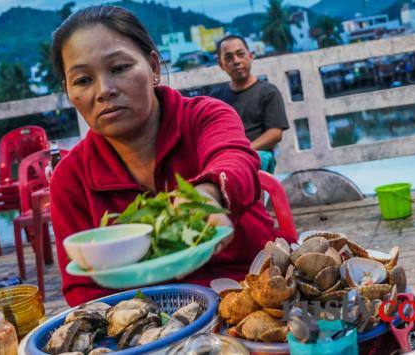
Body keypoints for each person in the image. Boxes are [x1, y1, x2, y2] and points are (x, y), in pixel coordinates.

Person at [48, 6, 295, 307]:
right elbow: (84, 292)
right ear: (68, 91)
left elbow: (233, 158)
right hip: (156, 324)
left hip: (256, 298)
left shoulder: (204, 116)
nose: (104, 90)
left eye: (119, 68)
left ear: (153, 67)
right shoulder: (70, 178)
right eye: (83, 80)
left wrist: (206, 195)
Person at [210, 35, 289, 174]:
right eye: (228, 57)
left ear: (250, 56)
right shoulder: (215, 98)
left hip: (257, 155)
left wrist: (246, 151)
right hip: (225, 157)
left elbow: (276, 133)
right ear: (221, 64)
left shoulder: (268, 92)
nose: (236, 61)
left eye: (240, 54)